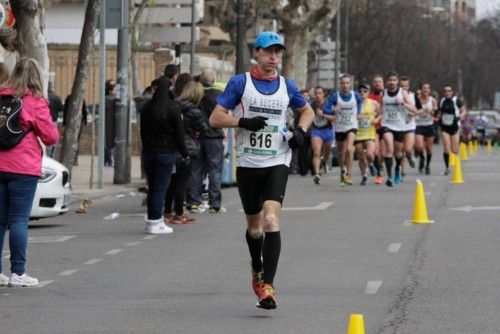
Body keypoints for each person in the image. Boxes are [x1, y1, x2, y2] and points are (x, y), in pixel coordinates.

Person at [209, 31, 314, 310]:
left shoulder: (287, 85)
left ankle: (267, 286)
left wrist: (301, 131)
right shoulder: (240, 83)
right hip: (248, 164)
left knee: (271, 222)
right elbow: (215, 117)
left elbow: (308, 111)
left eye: (278, 52)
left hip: (277, 160)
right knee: (255, 229)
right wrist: (242, 122)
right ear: (256, 53)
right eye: (269, 51)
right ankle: (257, 266)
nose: (274, 57)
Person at [0, 57, 59, 287]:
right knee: (18, 220)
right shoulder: (34, 101)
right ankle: (18, 273)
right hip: (23, 167)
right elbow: (50, 136)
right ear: (37, 77)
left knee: (0, 221)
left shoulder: (1, 96)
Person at [140, 76, 189, 234]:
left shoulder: (146, 108)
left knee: (153, 188)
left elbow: (142, 133)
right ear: (169, 89)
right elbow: (180, 135)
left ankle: (151, 220)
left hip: (148, 153)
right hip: (166, 153)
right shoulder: (173, 109)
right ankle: (156, 222)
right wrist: (184, 153)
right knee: (161, 188)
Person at [165, 79, 210, 224]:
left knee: (171, 182)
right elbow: (204, 129)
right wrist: (196, 134)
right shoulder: (195, 111)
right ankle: (179, 213)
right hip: (187, 149)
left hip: (170, 147)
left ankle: (167, 211)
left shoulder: (173, 105)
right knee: (182, 184)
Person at [188, 67, 225, 213]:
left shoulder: (195, 94)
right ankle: (214, 204)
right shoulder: (219, 95)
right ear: (214, 80)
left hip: (197, 137)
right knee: (214, 171)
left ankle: (195, 202)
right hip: (214, 137)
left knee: (196, 170)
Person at [379, 72, 418, 187]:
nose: (392, 82)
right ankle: (390, 177)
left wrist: (403, 103)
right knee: (389, 149)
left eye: (394, 80)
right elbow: (381, 107)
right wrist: (378, 111)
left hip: (400, 127)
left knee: (399, 153)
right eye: (390, 80)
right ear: (387, 82)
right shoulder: (384, 93)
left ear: (397, 82)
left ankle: (397, 169)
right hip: (387, 125)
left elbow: (414, 109)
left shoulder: (403, 93)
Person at [324, 74, 362, 186]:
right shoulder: (335, 96)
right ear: (340, 84)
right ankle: (342, 172)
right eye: (343, 83)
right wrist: (332, 109)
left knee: (350, 149)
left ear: (350, 84)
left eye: (347, 83)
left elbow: (359, 103)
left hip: (352, 126)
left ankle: (349, 174)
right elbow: (326, 109)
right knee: (341, 153)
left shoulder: (356, 95)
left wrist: (359, 112)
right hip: (339, 127)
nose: (345, 85)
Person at [355, 83, 380, 185]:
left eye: (365, 91)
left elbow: (382, 113)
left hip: (370, 133)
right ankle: (364, 175)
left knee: (370, 154)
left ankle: (371, 164)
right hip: (358, 133)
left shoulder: (374, 103)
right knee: (361, 156)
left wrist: (376, 119)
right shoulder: (355, 104)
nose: (362, 93)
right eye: (360, 92)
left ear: (368, 93)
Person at [438, 85, 466, 175]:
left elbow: (464, 110)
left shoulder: (456, 100)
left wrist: (461, 116)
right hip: (444, 127)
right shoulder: (442, 101)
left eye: (449, 91)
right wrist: (438, 116)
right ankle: (447, 167)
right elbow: (438, 112)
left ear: (452, 92)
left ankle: (455, 159)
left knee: (454, 150)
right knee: (446, 146)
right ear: (443, 93)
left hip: (455, 126)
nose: (447, 93)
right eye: (445, 91)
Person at [310, 86, 334, 184]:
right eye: (316, 93)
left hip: (327, 131)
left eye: (320, 93)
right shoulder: (312, 105)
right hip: (316, 131)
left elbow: (335, 118)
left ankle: (324, 162)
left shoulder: (328, 104)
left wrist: (323, 114)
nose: (318, 96)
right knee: (316, 153)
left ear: (324, 94)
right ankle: (317, 174)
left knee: (326, 153)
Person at [398, 76, 420, 181]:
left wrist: (414, 114)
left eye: (405, 86)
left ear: (409, 86)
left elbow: (419, 109)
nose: (403, 88)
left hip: (409, 125)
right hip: (397, 126)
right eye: (401, 86)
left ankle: (410, 156)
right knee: (400, 151)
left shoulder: (413, 96)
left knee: (407, 149)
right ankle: (402, 171)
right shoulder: (395, 95)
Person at [415, 83, 437, 175]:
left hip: (429, 125)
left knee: (429, 148)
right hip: (418, 125)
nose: (426, 90)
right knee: (419, 147)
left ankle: (427, 165)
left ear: (429, 90)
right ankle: (422, 158)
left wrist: (431, 111)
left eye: (427, 88)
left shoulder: (432, 100)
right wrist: (418, 112)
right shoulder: (416, 100)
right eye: (424, 88)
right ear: (420, 90)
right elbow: (413, 110)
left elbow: (436, 110)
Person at [369, 74, 385, 184]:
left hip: (387, 126)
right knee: (375, 150)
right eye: (375, 81)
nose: (377, 83)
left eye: (379, 81)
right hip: (374, 126)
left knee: (383, 153)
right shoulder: (369, 97)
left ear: (383, 83)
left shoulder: (387, 95)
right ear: (373, 83)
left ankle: (379, 164)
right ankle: (377, 170)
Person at [63, 95, 88, 166]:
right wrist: (85, 121)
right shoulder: (81, 98)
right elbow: (84, 111)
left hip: (70, 121)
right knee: (76, 141)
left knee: (69, 140)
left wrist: (64, 123)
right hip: (79, 122)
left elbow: (65, 110)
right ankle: (75, 159)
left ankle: (69, 157)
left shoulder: (68, 98)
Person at [46, 82, 63, 158]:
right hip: (53, 120)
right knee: (52, 139)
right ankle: (50, 156)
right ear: (52, 87)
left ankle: (46, 155)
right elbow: (61, 108)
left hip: (44, 120)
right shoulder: (56, 97)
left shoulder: (43, 96)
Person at [104, 79, 116, 167]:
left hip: (110, 122)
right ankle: (109, 160)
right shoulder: (108, 99)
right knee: (109, 142)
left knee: (108, 142)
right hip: (109, 123)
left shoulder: (109, 99)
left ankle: (107, 160)